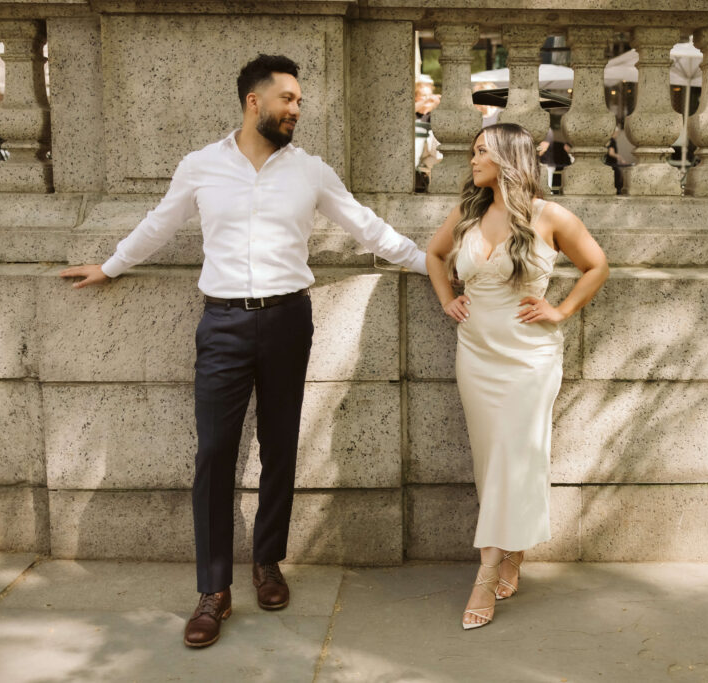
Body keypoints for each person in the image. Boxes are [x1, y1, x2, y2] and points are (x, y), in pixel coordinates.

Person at [60, 54, 427, 648]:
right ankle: (213, 590)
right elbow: (160, 224)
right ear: (254, 101)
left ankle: (267, 562)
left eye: (300, 101)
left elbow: (367, 226)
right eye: (288, 99)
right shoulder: (202, 166)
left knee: (280, 445)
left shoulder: (309, 170)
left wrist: (430, 263)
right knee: (214, 453)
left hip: (288, 320)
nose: (297, 109)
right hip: (223, 325)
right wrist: (109, 265)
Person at [425, 123, 608, 630]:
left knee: (514, 455)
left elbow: (596, 265)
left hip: (530, 360)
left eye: (481, 152)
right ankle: (512, 551)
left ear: (509, 158)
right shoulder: (468, 213)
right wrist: (447, 299)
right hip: (476, 356)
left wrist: (562, 309)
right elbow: (434, 255)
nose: (472, 160)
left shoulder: (552, 217)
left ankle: (487, 569)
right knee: (492, 460)